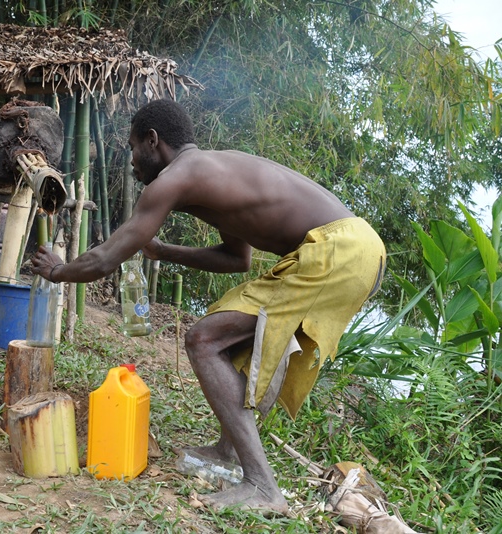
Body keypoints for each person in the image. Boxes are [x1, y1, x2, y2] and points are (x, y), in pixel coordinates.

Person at [30, 99, 385, 514]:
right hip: (356, 251)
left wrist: (58, 271)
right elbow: (239, 259)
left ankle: (262, 487)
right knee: (237, 338)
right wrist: (164, 251)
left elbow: (106, 259)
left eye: (131, 148)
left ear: (152, 140)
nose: (130, 161)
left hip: (338, 251)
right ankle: (227, 452)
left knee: (203, 338)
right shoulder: (210, 176)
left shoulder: (176, 178)